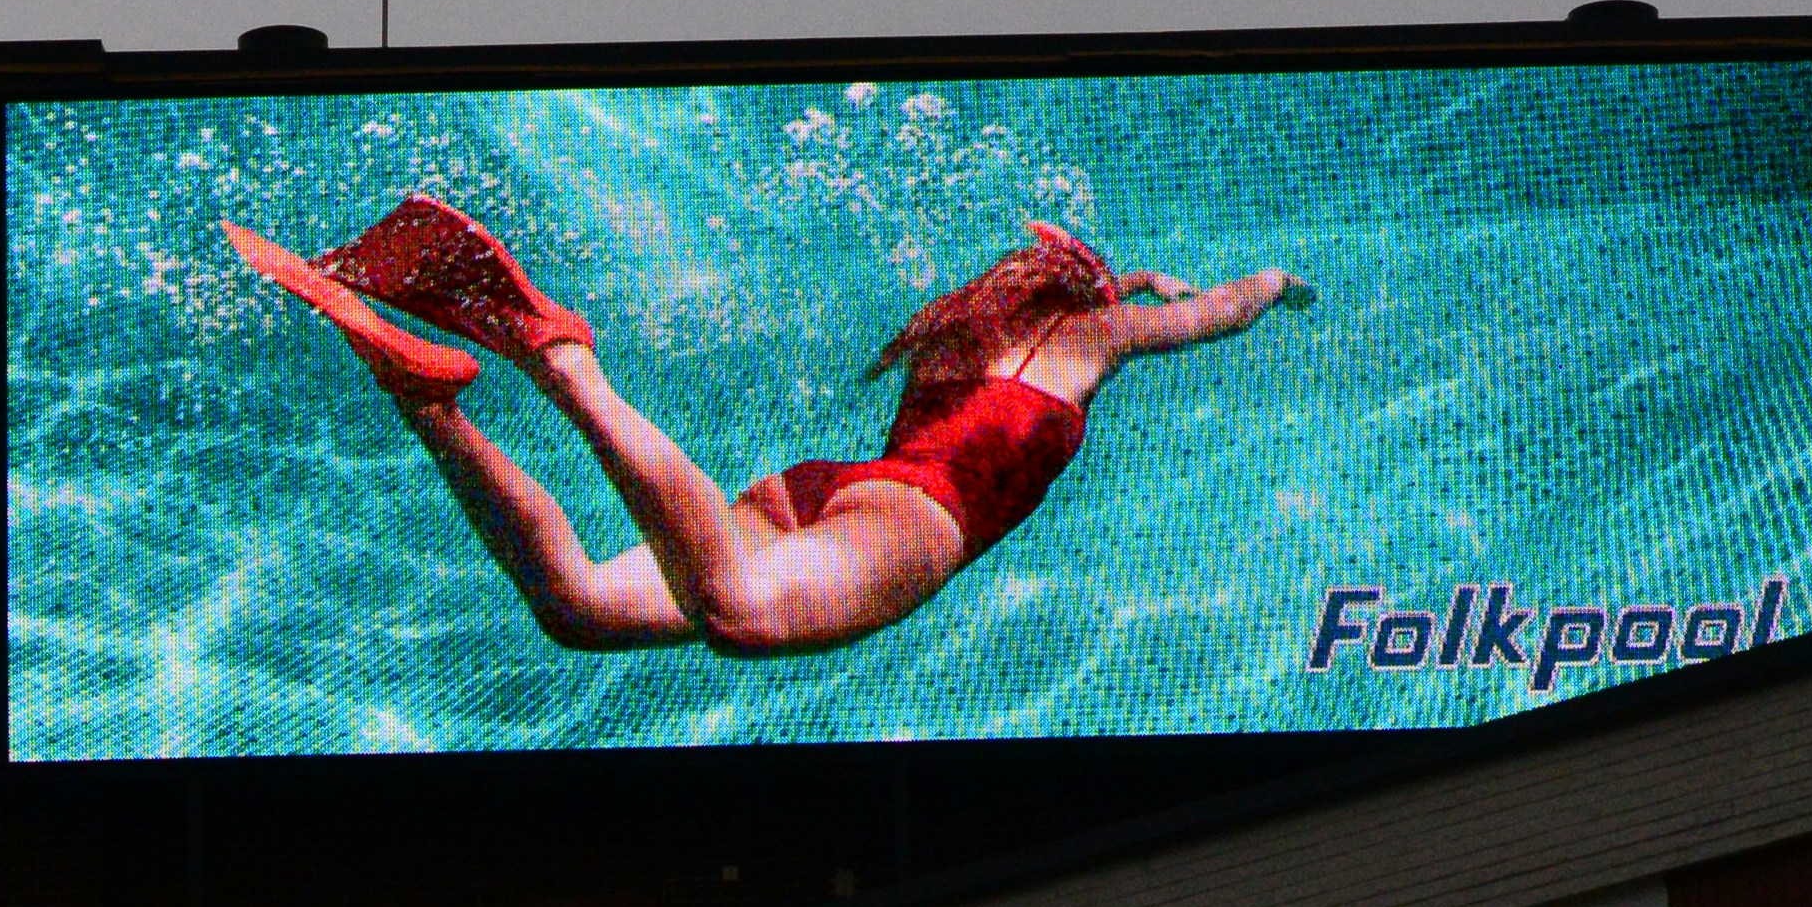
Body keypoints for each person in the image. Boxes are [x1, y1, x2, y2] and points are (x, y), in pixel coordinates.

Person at [228, 194, 1304, 658]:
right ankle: (564, 363)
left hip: (821, 491)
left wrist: (1133, 286)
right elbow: (1229, 306)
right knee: (735, 613)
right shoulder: (1089, 341)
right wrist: (1274, 283)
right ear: (1086, 295)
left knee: (579, 606)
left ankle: (433, 405)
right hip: (913, 522)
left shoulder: (954, 333)